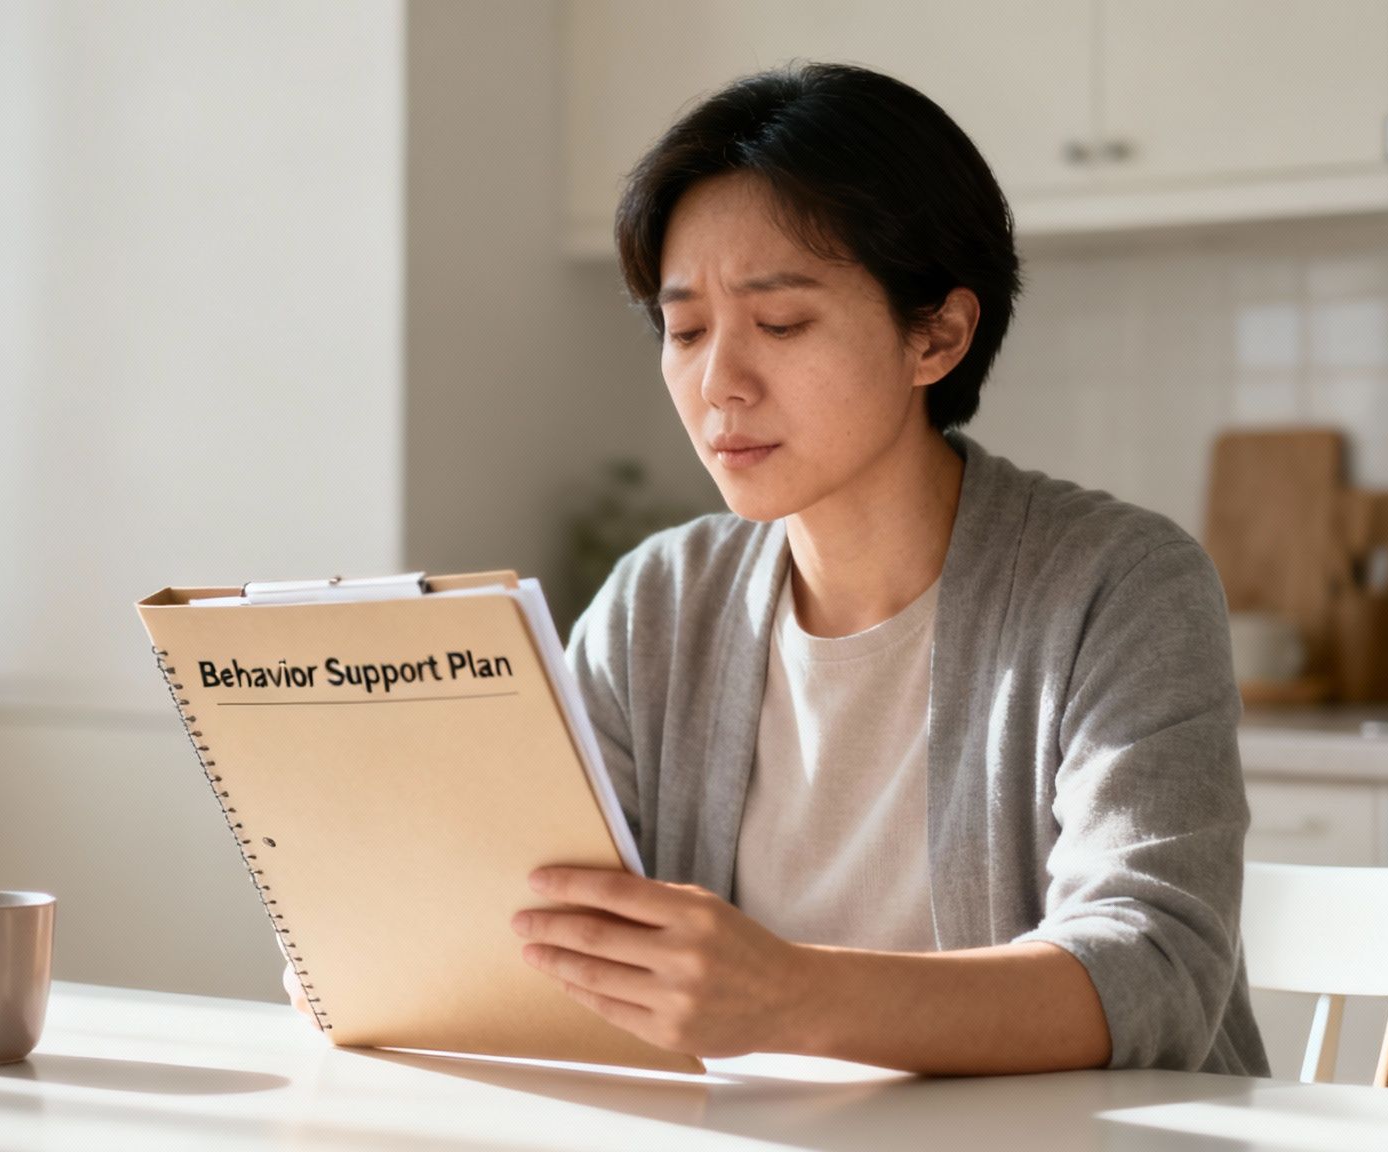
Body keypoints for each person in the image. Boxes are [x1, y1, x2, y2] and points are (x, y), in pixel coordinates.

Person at [296, 61, 1267, 1077]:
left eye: (779, 323)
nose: (718, 383)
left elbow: (1154, 968)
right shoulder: (659, 600)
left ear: (935, 333)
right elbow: (544, 915)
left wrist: (786, 996)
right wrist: (390, 937)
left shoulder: (1117, 585)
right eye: (683, 330)